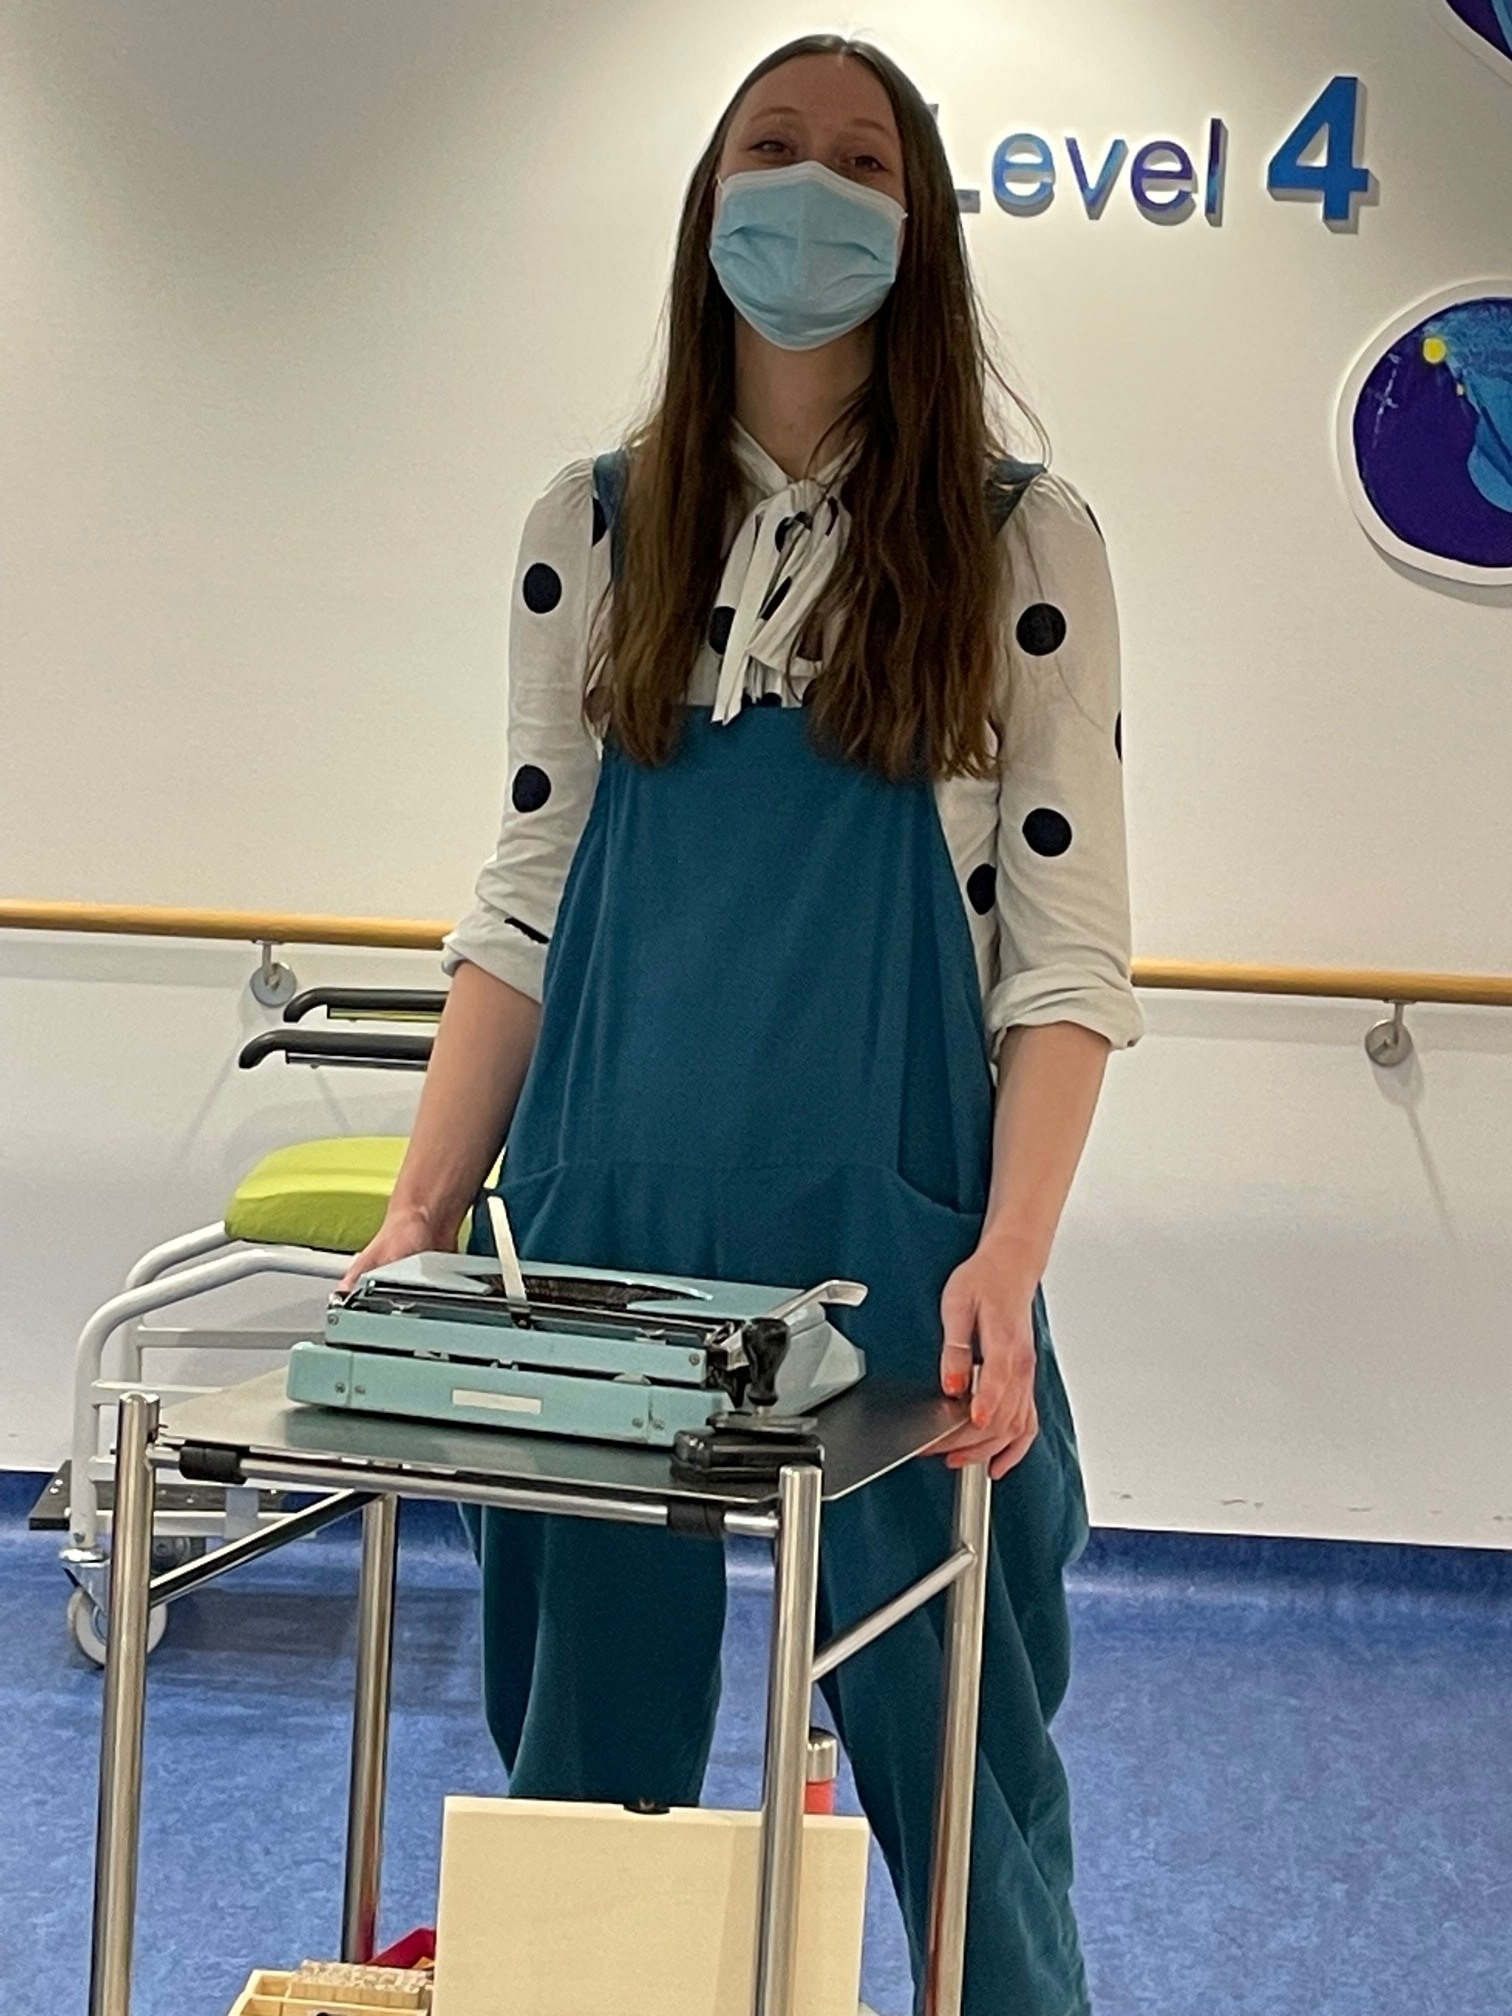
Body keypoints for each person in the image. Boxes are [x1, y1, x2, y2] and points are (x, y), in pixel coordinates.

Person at [343, 32, 1142, 2016]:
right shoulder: (593, 525)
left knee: (966, 1763)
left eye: (861, 159)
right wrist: (427, 1211)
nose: (811, 188)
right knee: (584, 1767)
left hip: (898, 1240)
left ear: (922, 225)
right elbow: (525, 892)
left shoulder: (1023, 542)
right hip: (600, 1215)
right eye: (770, 148)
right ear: (707, 205)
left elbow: (1067, 945)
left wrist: (1010, 1263)